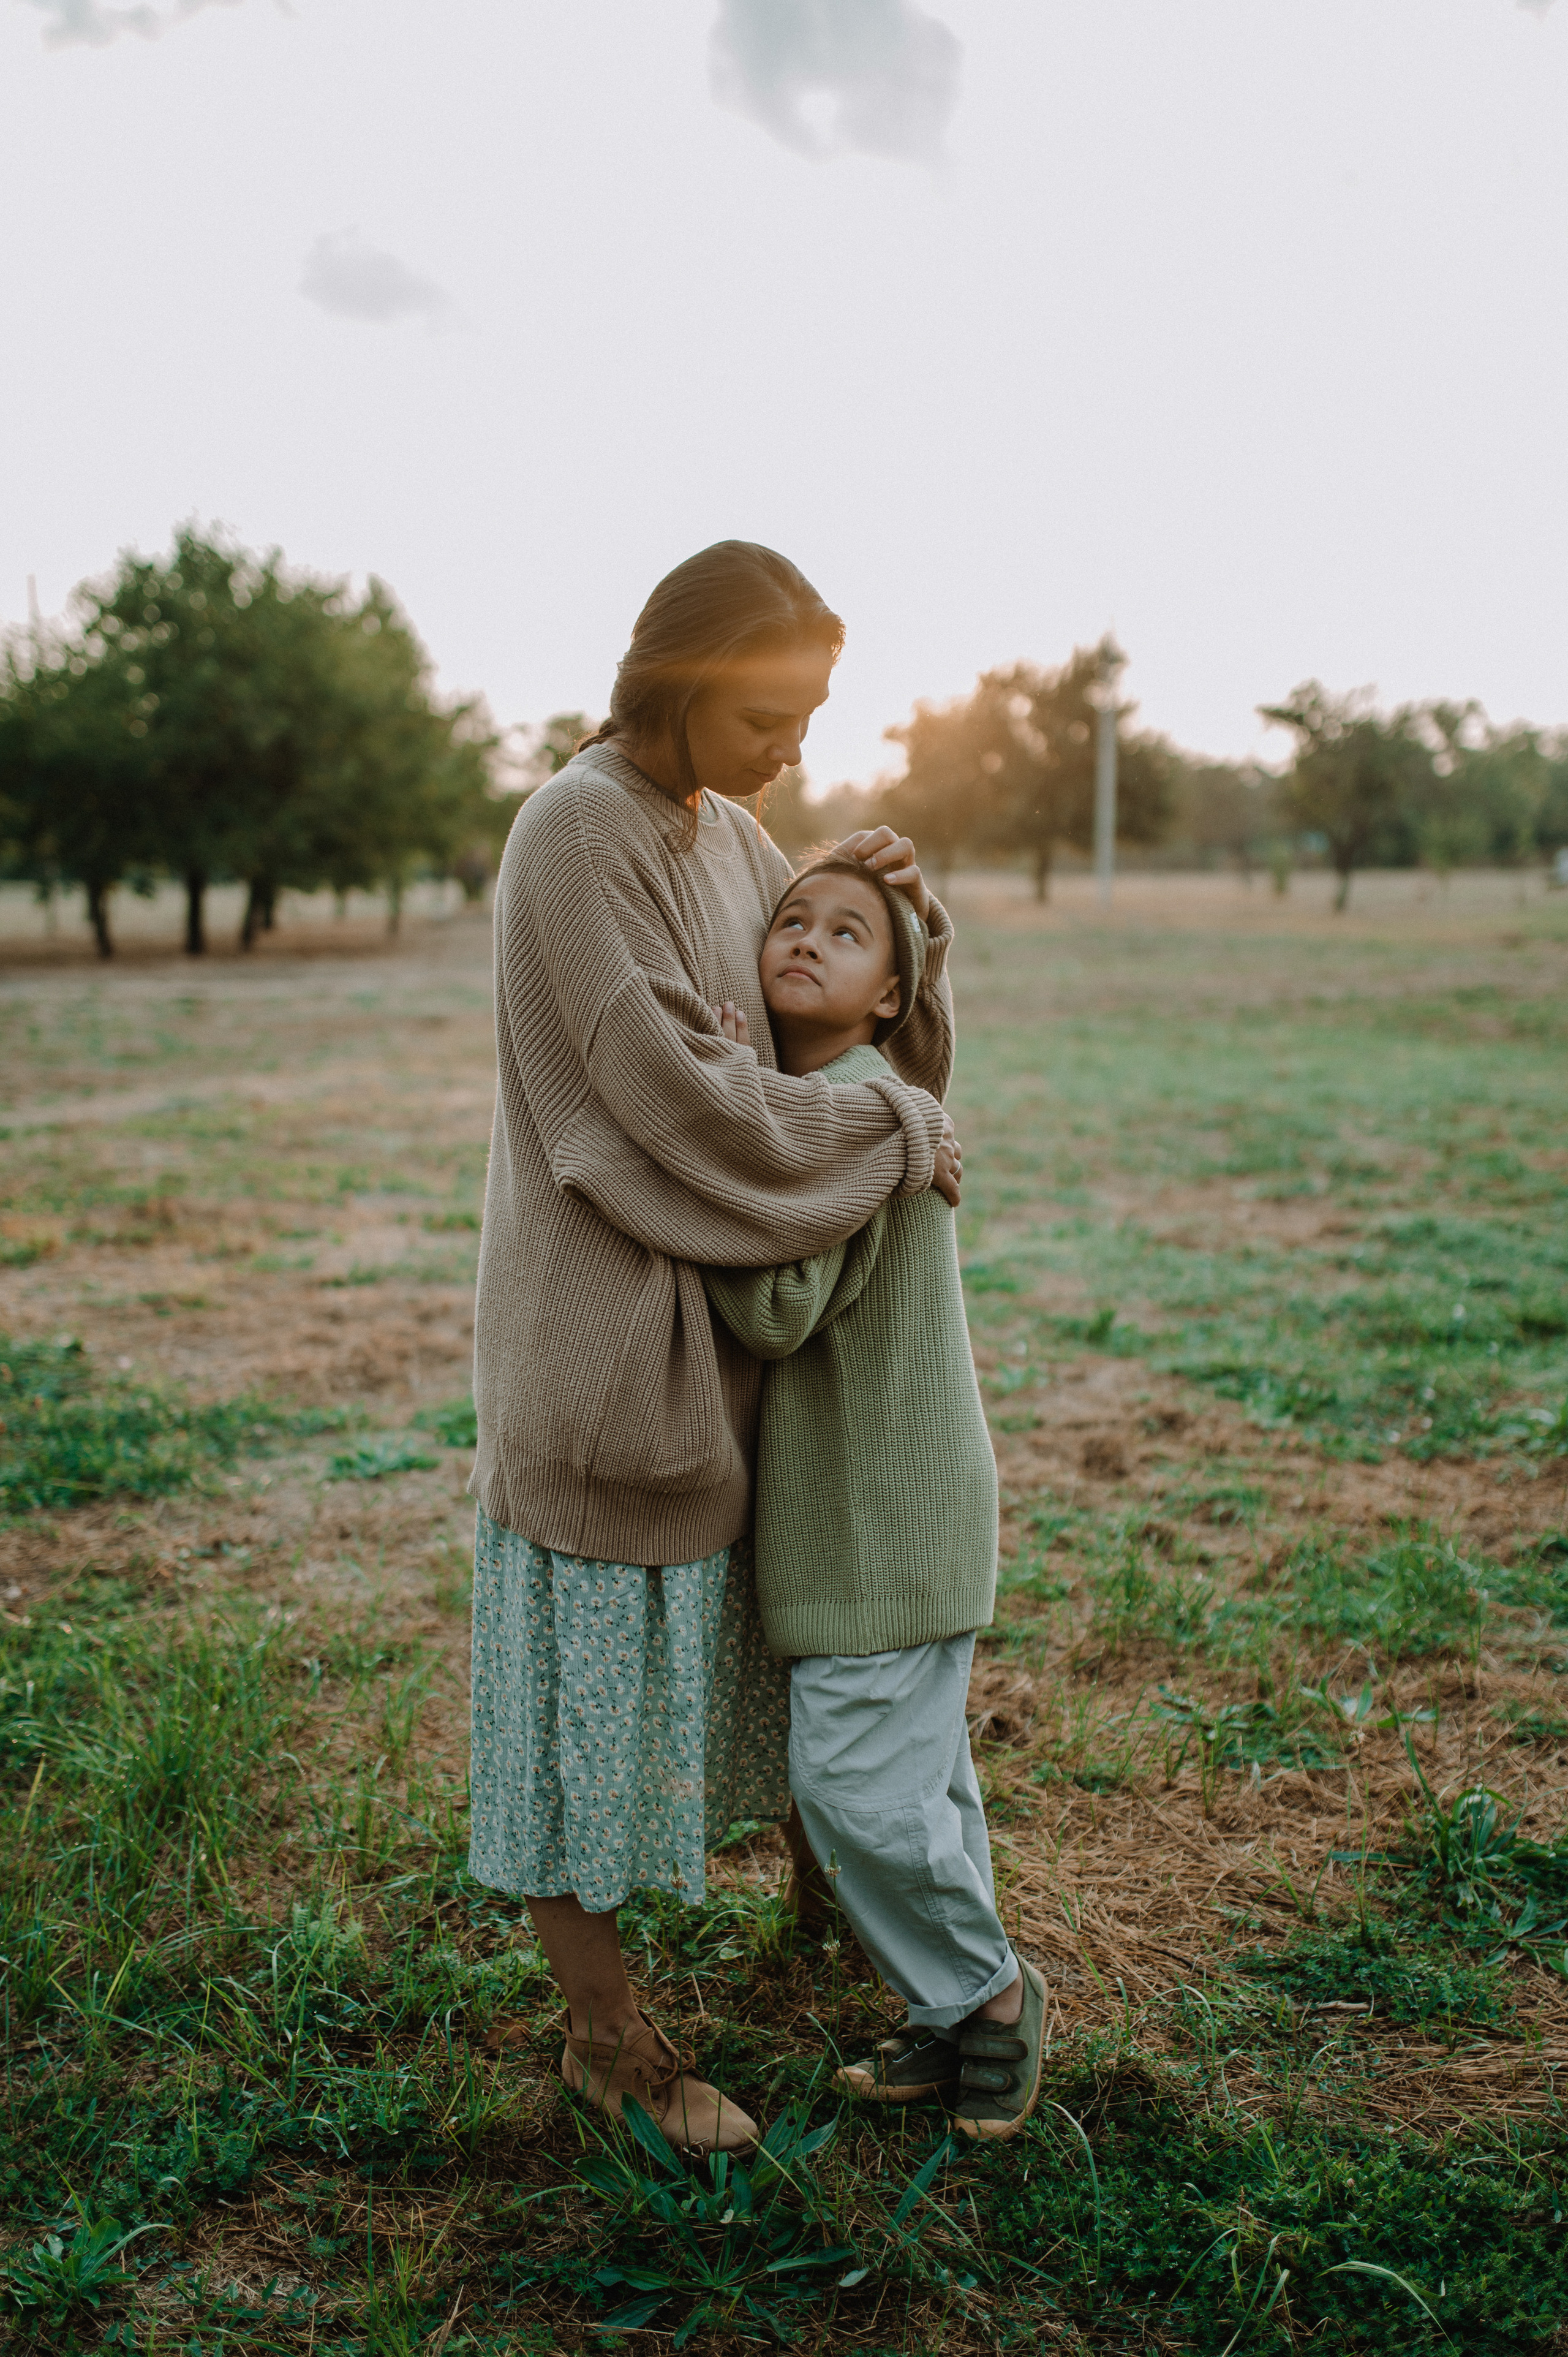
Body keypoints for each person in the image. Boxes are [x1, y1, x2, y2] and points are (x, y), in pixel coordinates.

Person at [467, 541, 964, 2158]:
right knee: (582, 1710)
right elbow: (674, 1098)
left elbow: (815, 1019)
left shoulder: (736, 827)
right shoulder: (573, 837)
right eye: (767, 713)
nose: (791, 750)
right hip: (607, 1351)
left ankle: (836, 1913)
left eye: (811, 715)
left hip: (735, 1359)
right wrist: (890, 1130)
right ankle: (606, 2042)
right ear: (676, 679)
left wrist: (878, 909)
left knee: (738, 1663)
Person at [703, 855, 1048, 2143]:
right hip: (892, 1512)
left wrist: (711, 1136)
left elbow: (775, 1308)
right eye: (789, 918)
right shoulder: (846, 1100)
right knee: (919, 1785)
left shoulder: (846, 1111)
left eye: (845, 933)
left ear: (888, 990)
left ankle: (994, 1997)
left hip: (882, 1526)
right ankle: (947, 2013)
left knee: (851, 1784)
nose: (803, 939)